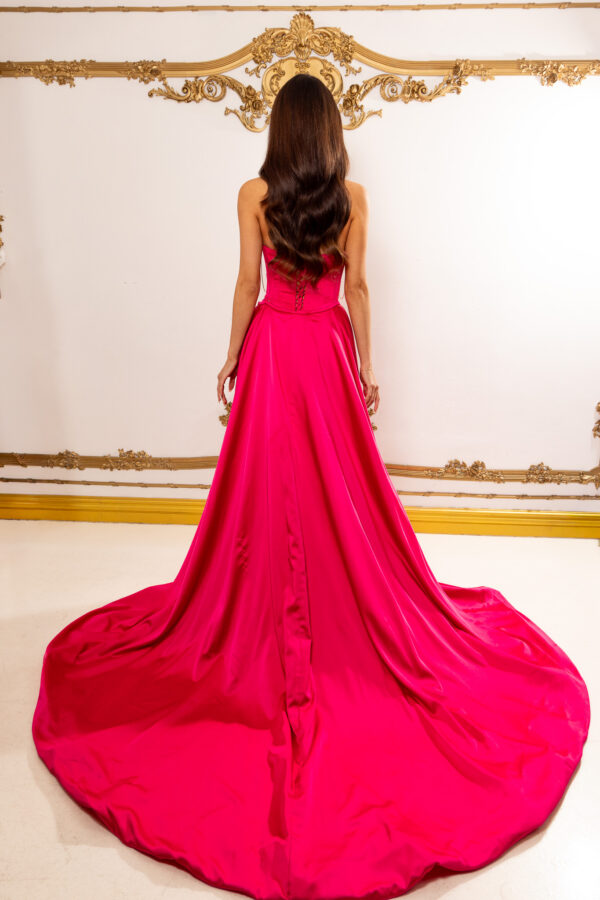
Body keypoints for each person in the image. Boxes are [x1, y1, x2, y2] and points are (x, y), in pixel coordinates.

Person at [32, 73, 590, 899]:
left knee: (264, 496)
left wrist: (230, 354)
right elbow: (356, 289)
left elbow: (245, 288)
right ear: (330, 132)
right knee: (338, 497)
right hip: (322, 352)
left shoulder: (254, 193)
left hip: (272, 354)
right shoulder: (355, 196)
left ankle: (263, 604)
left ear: (278, 129)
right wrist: (367, 369)